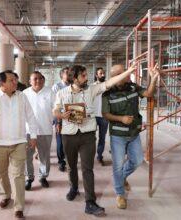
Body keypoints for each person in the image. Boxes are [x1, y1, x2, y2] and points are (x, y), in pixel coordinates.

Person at [52, 64, 136, 216]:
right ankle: (74, 188)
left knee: (87, 168)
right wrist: (60, 115)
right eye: (83, 75)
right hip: (68, 135)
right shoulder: (62, 93)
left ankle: (90, 202)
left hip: (88, 135)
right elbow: (55, 110)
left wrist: (129, 71)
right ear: (74, 77)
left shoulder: (91, 89)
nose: (86, 77)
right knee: (71, 166)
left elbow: (108, 83)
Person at [102, 64, 160, 209]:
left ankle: (122, 178)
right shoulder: (107, 93)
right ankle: (120, 194)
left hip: (133, 133)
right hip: (118, 134)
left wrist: (153, 79)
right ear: (116, 76)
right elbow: (105, 114)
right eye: (125, 73)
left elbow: (148, 94)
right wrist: (121, 119)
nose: (128, 75)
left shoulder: (132, 87)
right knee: (118, 166)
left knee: (137, 160)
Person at [0, 70, 38, 219]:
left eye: (15, 80)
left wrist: (33, 136)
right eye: (12, 80)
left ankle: (19, 207)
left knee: (18, 174)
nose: (15, 82)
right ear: (2, 84)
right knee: (1, 173)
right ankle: (5, 195)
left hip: (19, 141)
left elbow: (30, 116)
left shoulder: (22, 97)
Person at [23, 71, 55, 190]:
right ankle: (29, 178)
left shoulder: (50, 92)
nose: (38, 81)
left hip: (45, 129)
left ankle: (43, 177)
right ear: (30, 81)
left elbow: (56, 108)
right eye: (35, 79)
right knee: (27, 155)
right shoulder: (24, 93)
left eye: (40, 78)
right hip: (27, 131)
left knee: (44, 156)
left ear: (44, 80)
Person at [51, 67, 71, 172]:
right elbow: (55, 105)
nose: (69, 74)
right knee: (60, 141)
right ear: (61, 75)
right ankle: (61, 162)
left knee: (71, 141)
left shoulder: (74, 85)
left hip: (72, 117)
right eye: (67, 73)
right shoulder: (57, 87)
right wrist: (58, 120)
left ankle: (70, 160)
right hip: (60, 117)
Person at [92, 67, 109, 166]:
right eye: (100, 73)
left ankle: (99, 156)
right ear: (96, 75)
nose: (103, 75)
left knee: (102, 138)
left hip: (104, 116)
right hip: (93, 116)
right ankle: (90, 156)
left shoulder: (108, 86)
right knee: (91, 138)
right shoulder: (91, 87)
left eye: (103, 73)